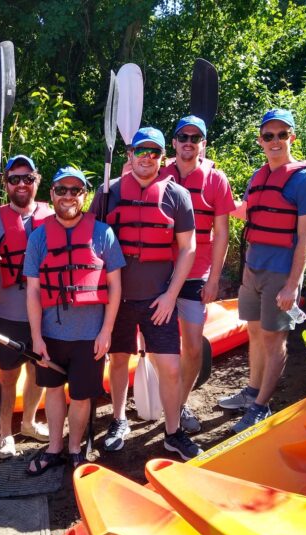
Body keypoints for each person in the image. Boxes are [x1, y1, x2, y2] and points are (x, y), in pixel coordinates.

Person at [90, 126, 201, 460]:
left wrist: (170, 296)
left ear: (162, 158)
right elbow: (91, 242)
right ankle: (119, 419)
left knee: (169, 367)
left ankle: (172, 433)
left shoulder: (177, 196)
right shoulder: (107, 192)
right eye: (141, 151)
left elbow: (188, 248)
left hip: (158, 301)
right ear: (129, 156)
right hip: (117, 300)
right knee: (119, 359)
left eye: (154, 153)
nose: (147, 158)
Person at [219, 109, 306, 433]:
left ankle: (261, 406)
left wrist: (293, 285)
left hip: (281, 273)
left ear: (292, 137)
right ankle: (251, 391)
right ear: (261, 140)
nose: (275, 141)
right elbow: (246, 212)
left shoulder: (304, 180)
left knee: (273, 338)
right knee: (253, 332)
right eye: (268, 135)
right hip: (253, 268)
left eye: (281, 134)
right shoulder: (258, 176)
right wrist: (214, 192)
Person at [23, 167, 124, 473]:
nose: (68, 196)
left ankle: (75, 449)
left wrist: (106, 331)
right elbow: (33, 292)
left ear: (84, 195)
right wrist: (37, 337)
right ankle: (54, 448)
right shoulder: (39, 237)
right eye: (62, 190)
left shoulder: (103, 233)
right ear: (51, 194)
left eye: (76, 190)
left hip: (90, 335)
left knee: (81, 396)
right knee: (53, 391)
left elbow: (116, 286)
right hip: (52, 336)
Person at [160, 115, 235, 433]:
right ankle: (162, 398)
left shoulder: (216, 181)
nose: (188, 142)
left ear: (203, 144)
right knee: (159, 346)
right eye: (183, 137)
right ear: (174, 143)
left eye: (195, 137)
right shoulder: (160, 175)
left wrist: (215, 279)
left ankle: (179, 404)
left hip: (196, 274)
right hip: (160, 272)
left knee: (191, 347)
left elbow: (222, 234)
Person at [0, 155, 53, 459]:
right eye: (14, 179)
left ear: (37, 181)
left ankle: (30, 422)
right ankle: (6, 434)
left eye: (27, 178)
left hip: (44, 314)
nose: (21, 184)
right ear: (7, 184)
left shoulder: (52, 217)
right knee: (8, 378)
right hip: (7, 314)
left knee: (39, 373)